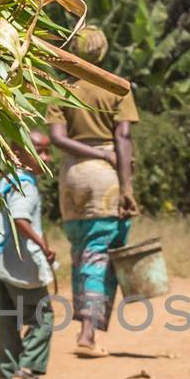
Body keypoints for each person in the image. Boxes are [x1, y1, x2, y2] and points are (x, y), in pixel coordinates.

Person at [46, 27, 139, 358]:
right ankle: (88, 332)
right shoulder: (117, 87)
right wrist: (126, 187)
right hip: (104, 176)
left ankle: (86, 326)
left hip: (71, 175)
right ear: (103, 51)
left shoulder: (62, 87)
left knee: (80, 251)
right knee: (101, 253)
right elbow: (123, 140)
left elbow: (57, 138)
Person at [0, 130, 57, 379]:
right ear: (18, 154)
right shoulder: (24, 184)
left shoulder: (2, 182)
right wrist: (43, 244)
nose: (46, 158)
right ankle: (27, 371)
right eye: (39, 151)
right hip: (21, 268)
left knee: (4, 326)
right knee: (43, 318)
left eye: (46, 151)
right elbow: (19, 217)